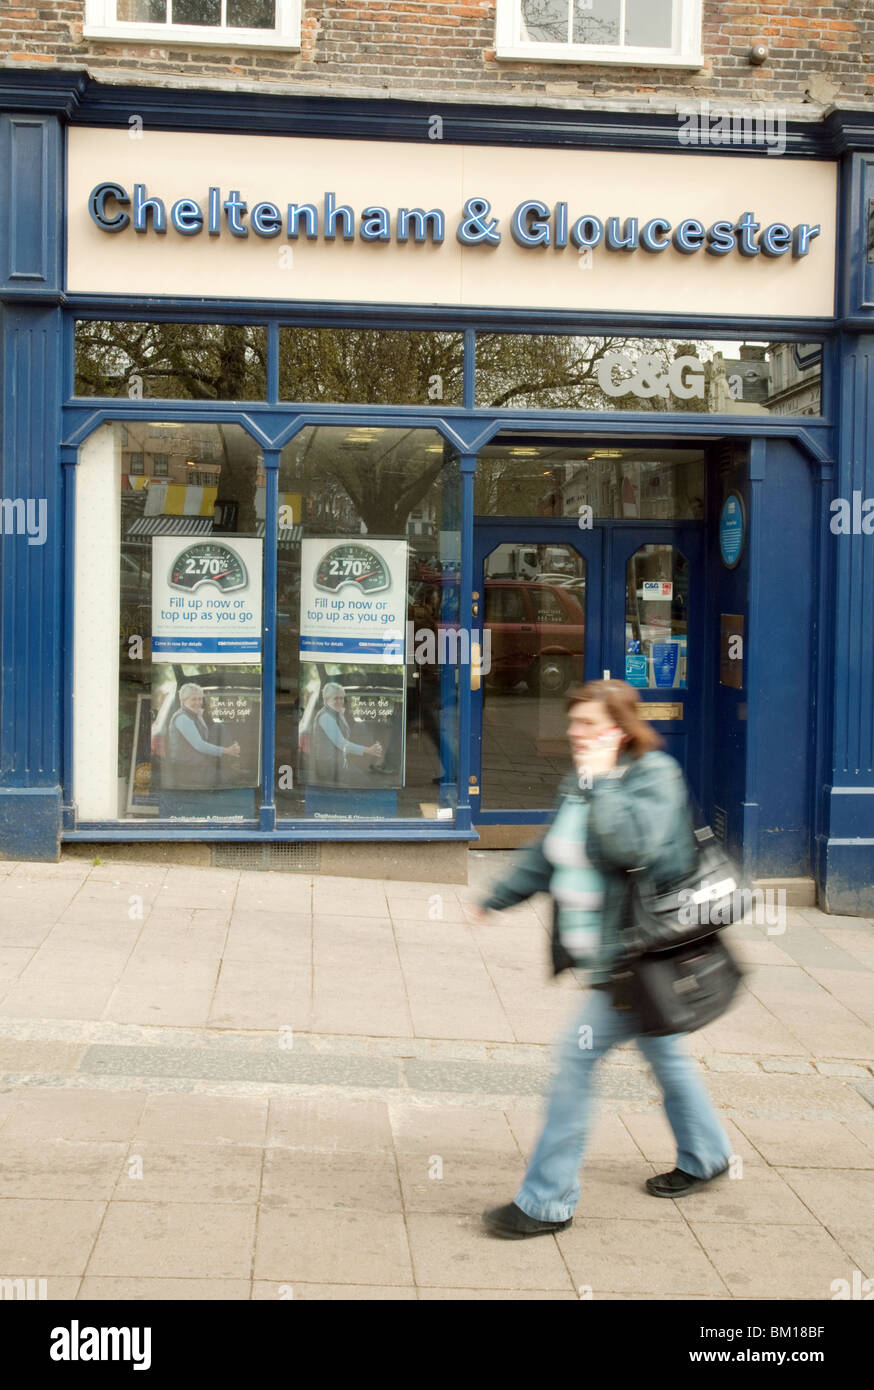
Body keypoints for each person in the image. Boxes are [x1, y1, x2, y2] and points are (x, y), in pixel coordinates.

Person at [471, 678, 734, 1239]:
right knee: (664, 1053)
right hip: (612, 957)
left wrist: (601, 779)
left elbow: (630, 846)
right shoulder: (582, 778)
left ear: (618, 729)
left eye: (587, 724)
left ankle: (546, 1203)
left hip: (635, 955)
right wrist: (497, 898)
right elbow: (551, 853)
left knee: (574, 1062)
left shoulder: (653, 776)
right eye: (573, 722)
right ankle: (707, 1154)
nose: (574, 732)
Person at [164, 682, 240, 790]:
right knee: (230, 780)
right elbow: (199, 745)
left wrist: (199, 716)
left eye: (200, 699)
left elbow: (206, 735)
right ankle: (232, 763)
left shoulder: (193, 714)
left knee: (219, 727)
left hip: (198, 761)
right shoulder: (182, 718)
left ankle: (233, 761)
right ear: (184, 700)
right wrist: (227, 750)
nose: (198, 702)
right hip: (189, 768)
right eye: (193, 699)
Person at [310, 681, 382, 786]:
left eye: (341, 698)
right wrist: (368, 750)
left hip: (338, 763)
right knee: (365, 783)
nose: (340, 701)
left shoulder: (336, 713)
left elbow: (347, 733)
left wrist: (341, 715)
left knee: (363, 781)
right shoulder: (325, 717)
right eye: (335, 698)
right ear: (326, 700)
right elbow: (341, 743)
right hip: (329, 766)